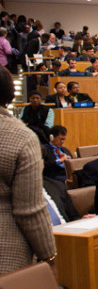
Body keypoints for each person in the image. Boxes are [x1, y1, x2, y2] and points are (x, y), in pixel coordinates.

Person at [0, 67, 56, 275]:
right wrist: (49, 255)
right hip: (7, 251)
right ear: (9, 96)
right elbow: (29, 210)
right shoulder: (20, 136)